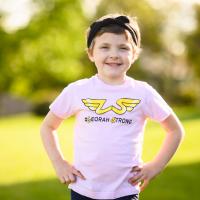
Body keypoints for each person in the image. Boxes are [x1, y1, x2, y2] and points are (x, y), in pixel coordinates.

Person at [40, 13, 184, 200]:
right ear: (91, 53)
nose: (114, 54)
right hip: (83, 189)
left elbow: (175, 130)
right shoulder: (77, 90)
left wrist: (155, 167)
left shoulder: (143, 92)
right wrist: (59, 163)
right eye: (105, 47)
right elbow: (47, 127)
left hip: (125, 190)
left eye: (123, 48)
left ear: (134, 55)